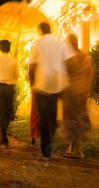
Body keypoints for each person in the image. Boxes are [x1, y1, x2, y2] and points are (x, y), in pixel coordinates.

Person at [29, 22, 72, 159]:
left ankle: (46, 151)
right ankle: (52, 135)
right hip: (56, 85)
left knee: (43, 118)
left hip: (42, 85)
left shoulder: (37, 43)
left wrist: (32, 82)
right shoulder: (60, 43)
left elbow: (33, 64)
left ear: (40, 30)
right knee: (52, 116)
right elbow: (67, 62)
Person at [0, 40, 20, 148]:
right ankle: (3, 138)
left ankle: (3, 139)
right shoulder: (13, 61)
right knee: (7, 113)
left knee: (0, 113)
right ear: (9, 48)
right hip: (9, 88)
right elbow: (17, 76)